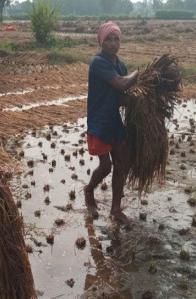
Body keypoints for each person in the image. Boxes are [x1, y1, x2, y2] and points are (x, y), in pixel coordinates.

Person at [84, 21, 138, 228]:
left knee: (121, 164)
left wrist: (137, 100)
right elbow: (123, 83)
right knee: (106, 166)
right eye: (109, 39)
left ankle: (116, 209)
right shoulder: (99, 62)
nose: (113, 43)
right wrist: (138, 74)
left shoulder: (120, 65)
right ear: (101, 41)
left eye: (116, 39)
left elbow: (121, 96)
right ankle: (89, 190)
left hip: (114, 120)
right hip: (99, 120)